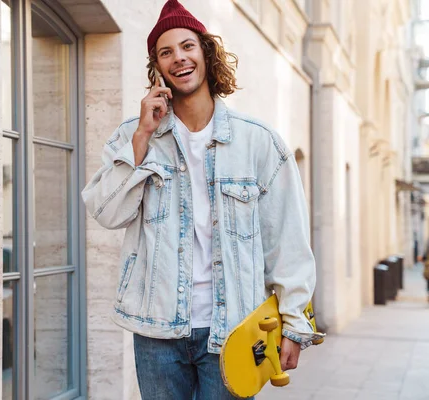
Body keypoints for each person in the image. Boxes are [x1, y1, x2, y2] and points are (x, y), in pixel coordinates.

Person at [82, 1, 322, 398]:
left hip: (234, 331)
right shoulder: (134, 136)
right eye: (166, 52)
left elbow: (288, 240)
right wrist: (141, 138)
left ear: (206, 53)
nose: (179, 58)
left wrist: (295, 323)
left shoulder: (258, 142)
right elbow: (106, 212)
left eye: (187, 46)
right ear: (157, 69)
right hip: (157, 330)